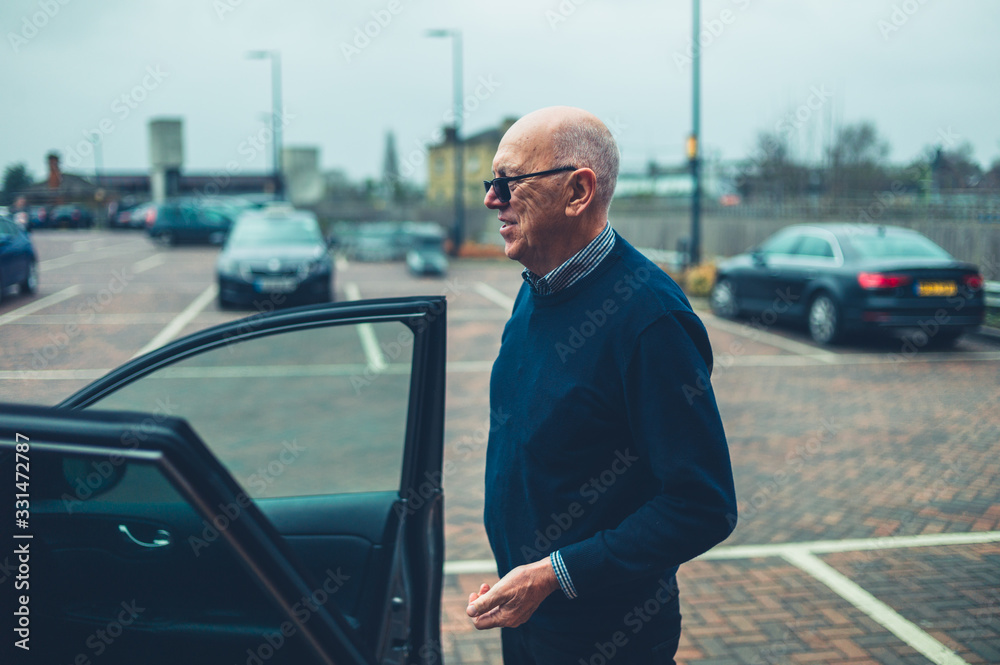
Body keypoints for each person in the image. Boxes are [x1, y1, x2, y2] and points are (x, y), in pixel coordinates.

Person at [466, 106, 738, 664]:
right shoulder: (537, 286)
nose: (493, 198)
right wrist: (528, 582)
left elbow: (702, 504)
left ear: (577, 191)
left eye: (508, 181)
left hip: (608, 639)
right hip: (530, 620)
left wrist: (554, 575)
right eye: (491, 183)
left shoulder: (650, 320)